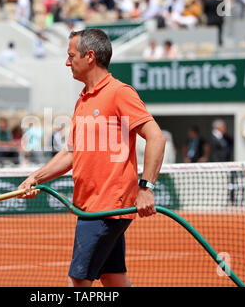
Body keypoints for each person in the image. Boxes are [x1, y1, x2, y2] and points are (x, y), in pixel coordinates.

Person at [17, 28, 166, 287]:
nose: (66, 62)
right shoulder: (82, 100)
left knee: (77, 281)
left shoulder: (120, 93)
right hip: (90, 205)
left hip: (108, 206)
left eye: (71, 55)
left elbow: (156, 138)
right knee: (112, 277)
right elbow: (72, 154)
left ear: (90, 57)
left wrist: (146, 188)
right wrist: (35, 177)